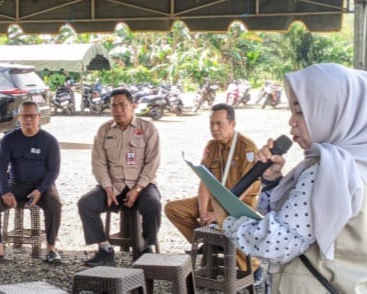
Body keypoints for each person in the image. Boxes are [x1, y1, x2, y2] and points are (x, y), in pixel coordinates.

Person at [214, 63, 367, 293]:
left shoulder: (331, 170)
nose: (291, 122)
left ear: (332, 111)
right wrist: (274, 181)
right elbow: (307, 221)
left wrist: (226, 221)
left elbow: (276, 242)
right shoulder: (357, 163)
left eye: (301, 111)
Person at [164, 103, 262, 274]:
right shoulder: (211, 146)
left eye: (220, 124)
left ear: (232, 124)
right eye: (211, 124)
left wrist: (218, 214)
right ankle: (209, 244)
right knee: (173, 209)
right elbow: (205, 181)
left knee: (231, 224)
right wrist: (203, 213)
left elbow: (248, 185)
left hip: (240, 204)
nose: (214, 128)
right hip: (214, 201)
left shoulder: (246, 147)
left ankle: (253, 266)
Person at [77, 88, 162, 267]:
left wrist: (138, 189)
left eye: (122, 105)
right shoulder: (104, 130)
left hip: (142, 185)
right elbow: (98, 163)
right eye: (114, 106)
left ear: (133, 106)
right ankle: (104, 249)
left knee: (153, 204)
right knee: (86, 204)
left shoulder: (148, 129)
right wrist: (107, 187)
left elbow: (152, 162)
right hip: (113, 187)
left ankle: (148, 247)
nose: (118, 110)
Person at [0, 101, 62, 264]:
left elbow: (53, 171)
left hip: (42, 187)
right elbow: (1, 168)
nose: (28, 120)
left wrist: (41, 189)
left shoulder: (49, 141)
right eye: (24, 116)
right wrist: (5, 191)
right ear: (19, 118)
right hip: (16, 185)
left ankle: (51, 248)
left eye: (32, 116)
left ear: (39, 117)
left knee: (55, 204)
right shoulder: (9, 139)